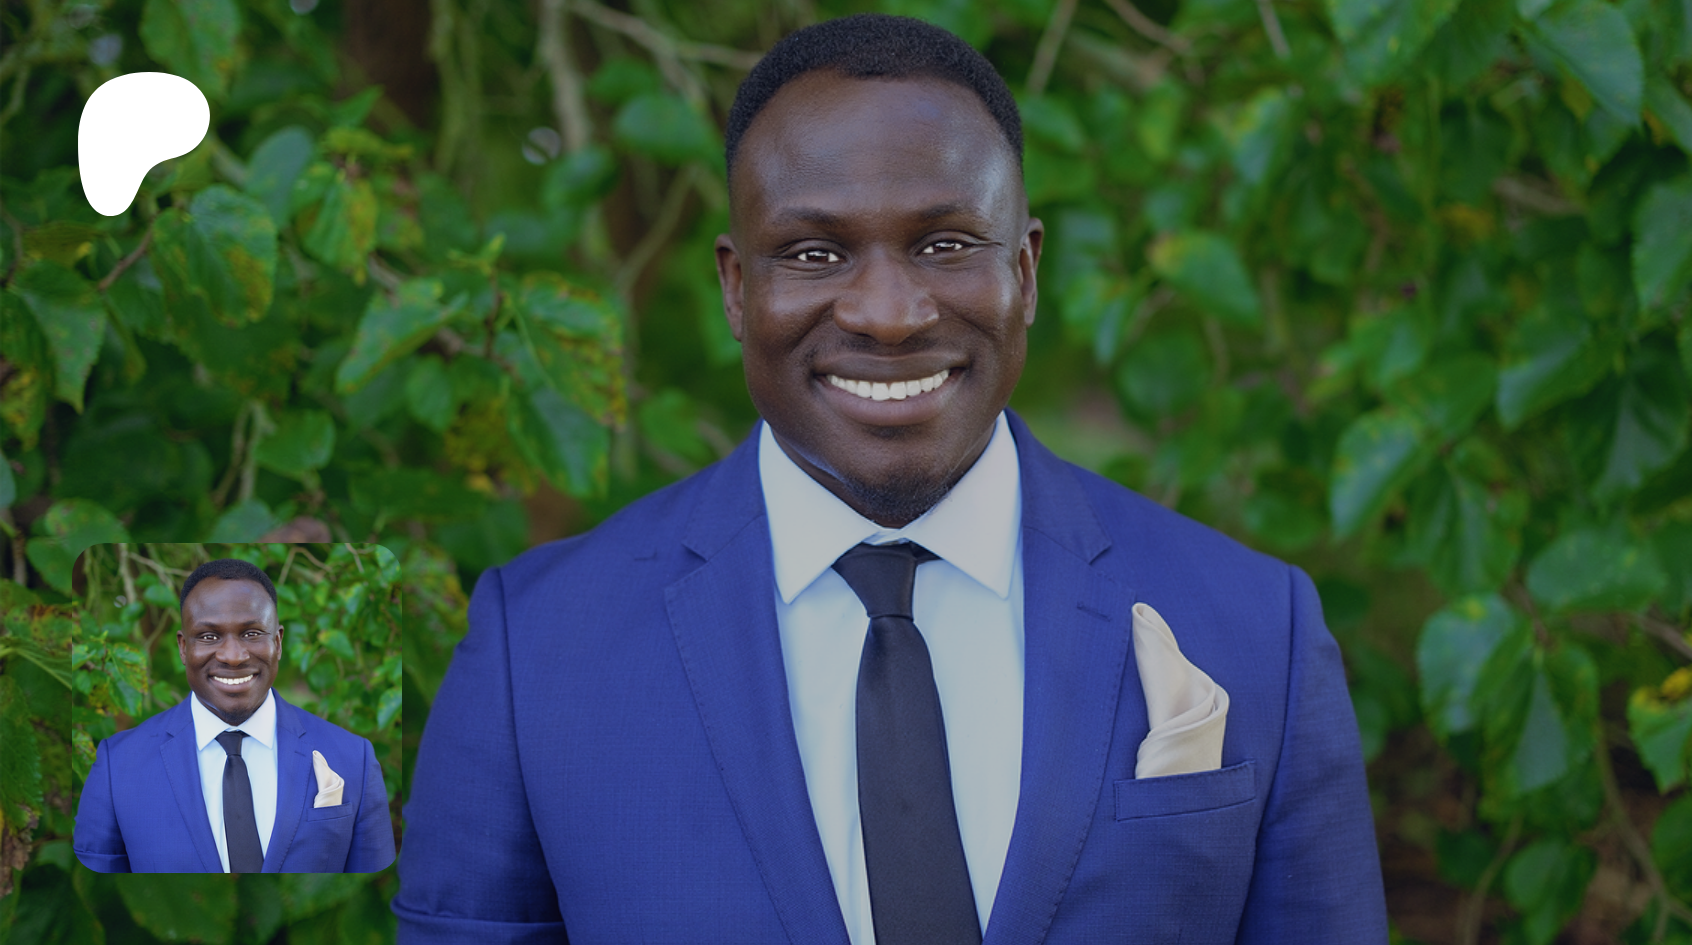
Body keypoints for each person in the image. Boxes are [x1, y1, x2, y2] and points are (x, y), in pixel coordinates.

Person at [395, 13, 1385, 943]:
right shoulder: (537, 649)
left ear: (1026, 271)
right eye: (814, 252)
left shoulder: (1257, 627)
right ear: (738, 287)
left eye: (944, 244)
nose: (888, 313)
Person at [74, 558, 395, 874]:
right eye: (209, 636)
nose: (233, 656)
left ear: (278, 642)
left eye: (252, 633)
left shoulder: (354, 757)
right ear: (184, 648)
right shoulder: (118, 766)